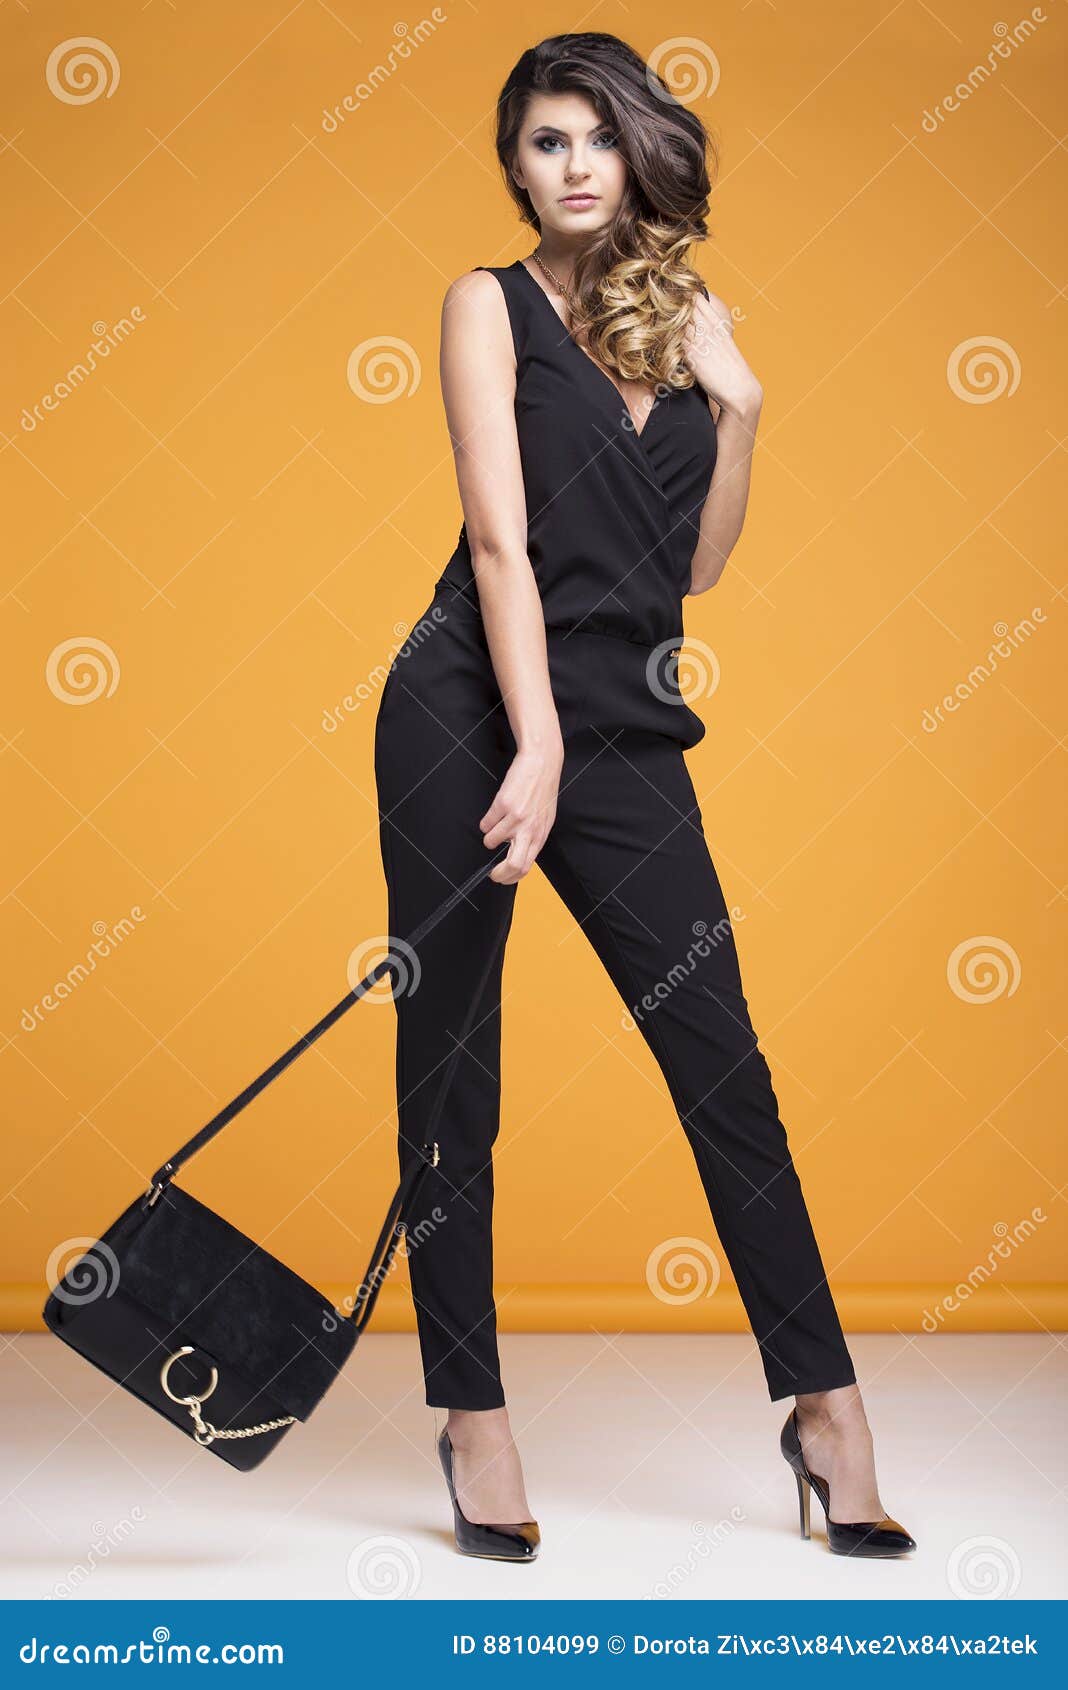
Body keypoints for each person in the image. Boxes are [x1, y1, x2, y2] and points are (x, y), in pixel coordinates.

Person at [373, 32, 915, 1564]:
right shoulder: (484, 307)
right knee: (451, 1073)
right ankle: (472, 1416)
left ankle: (825, 1411)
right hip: (465, 710)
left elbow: (692, 568)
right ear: (516, 166)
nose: (574, 166)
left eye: (597, 138)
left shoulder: (681, 318)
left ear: (639, 153)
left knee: (723, 1065)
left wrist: (740, 410)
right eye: (545, 142)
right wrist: (529, 748)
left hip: (624, 726)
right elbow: (498, 548)